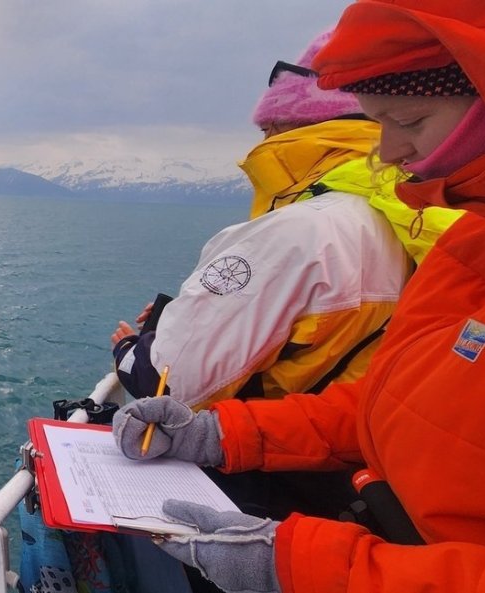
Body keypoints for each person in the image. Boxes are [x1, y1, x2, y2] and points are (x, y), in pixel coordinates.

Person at [112, 2, 485, 592]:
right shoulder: (478, 243)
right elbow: (393, 404)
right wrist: (223, 434)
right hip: (380, 523)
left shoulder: (308, 228)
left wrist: (301, 566)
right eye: (378, 122)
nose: (389, 151)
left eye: (409, 120)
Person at [111, 30, 461, 412]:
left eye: (266, 129)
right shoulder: (414, 211)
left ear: (291, 126)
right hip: (365, 428)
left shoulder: (301, 230)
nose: (260, 143)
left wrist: (129, 349)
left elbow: (167, 384)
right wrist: (188, 316)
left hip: (270, 440)